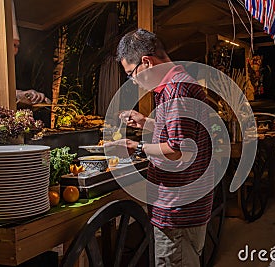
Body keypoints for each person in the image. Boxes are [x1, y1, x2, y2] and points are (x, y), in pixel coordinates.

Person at [108, 28, 213, 266]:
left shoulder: (176, 90)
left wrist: (135, 147)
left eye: (131, 74)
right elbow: (184, 132)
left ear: (146, 62)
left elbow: (177, 149)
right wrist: (147, 122)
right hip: (183, 204)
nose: (133, 81)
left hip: (179, 210)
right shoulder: (177, 84)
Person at [0, 1, 49, 114]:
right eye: (13, 45)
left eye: (17, 46)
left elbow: (13, 101)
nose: (16, 51)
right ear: (1, 43)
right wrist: (16, 93)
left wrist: (36, 99)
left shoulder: (7, 68)